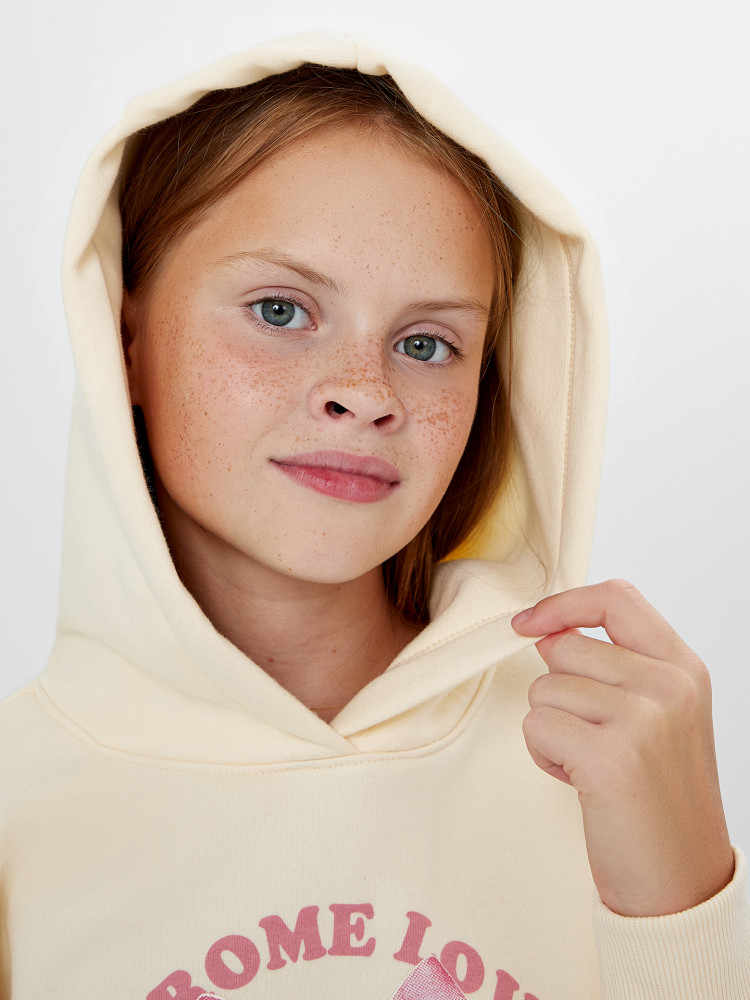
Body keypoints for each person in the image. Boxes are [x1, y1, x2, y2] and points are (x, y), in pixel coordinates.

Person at [0, 30, 748, 1000]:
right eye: (280, 310)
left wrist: (685, 903)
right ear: (123, 334)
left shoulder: (617, 764)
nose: (364, 392)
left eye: (427, 343)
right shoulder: (19, 799)